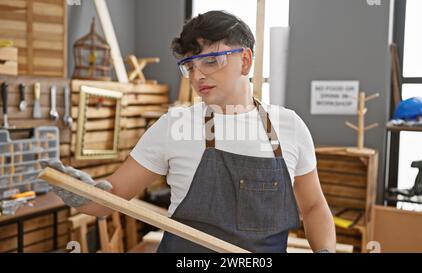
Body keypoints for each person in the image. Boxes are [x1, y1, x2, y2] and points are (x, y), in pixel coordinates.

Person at [42, 10, 336, 253]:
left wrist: (325, 251)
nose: (198, 75)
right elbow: (112, 197)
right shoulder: (173, 126)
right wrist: (81, 194)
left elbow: (312, 207)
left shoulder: (289, 127)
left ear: (245, 60)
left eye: (211, 61)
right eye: (189, 66)